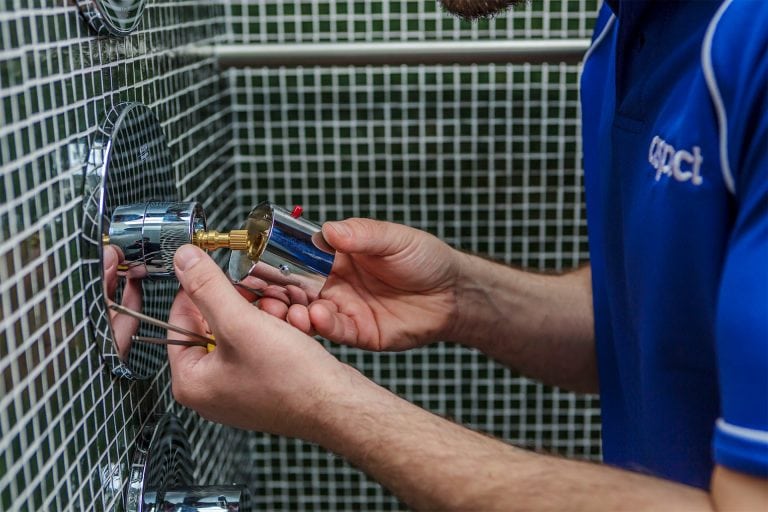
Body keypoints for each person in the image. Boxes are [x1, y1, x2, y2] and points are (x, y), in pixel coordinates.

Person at [165, 0, 768, 509]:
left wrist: (327, 403)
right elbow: (662, 320)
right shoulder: (622, 27)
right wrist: (461, 297)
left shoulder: (752, 40)